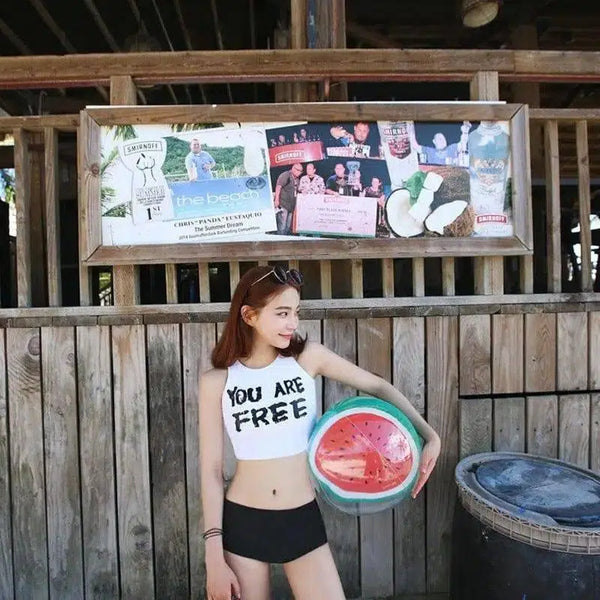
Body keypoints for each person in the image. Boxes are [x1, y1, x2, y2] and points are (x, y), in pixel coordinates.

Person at [199, 265, 441, 600]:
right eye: (282, 313)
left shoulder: (307, 358)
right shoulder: (217, 382)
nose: (293, 323)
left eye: (296, 312)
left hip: (301, 517)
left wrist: (430, 435)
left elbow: (378, 386)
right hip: (243, 522)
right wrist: (213, 556)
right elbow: (211, 472)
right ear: (249, 315)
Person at [274, 163, 302, 235]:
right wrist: (276, 200)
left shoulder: (297, 180)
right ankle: (280, 239)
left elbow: (297, 191)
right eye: (298, 170)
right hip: (283, 204)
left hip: (291, 206)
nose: (299, 172)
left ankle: (285, 238)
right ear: (293, 168)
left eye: (301, 171)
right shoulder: (286, 175)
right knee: (282, 225)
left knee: (288, 226)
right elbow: (278, 186)